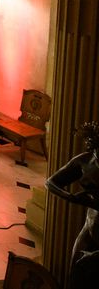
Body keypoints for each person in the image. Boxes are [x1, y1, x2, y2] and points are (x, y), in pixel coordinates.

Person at [46, 121, 99, 288]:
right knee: (74, 271)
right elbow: (51, 182)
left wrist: (92, 201)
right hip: (90, 227)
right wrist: (71, 198)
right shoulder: (85, 161)